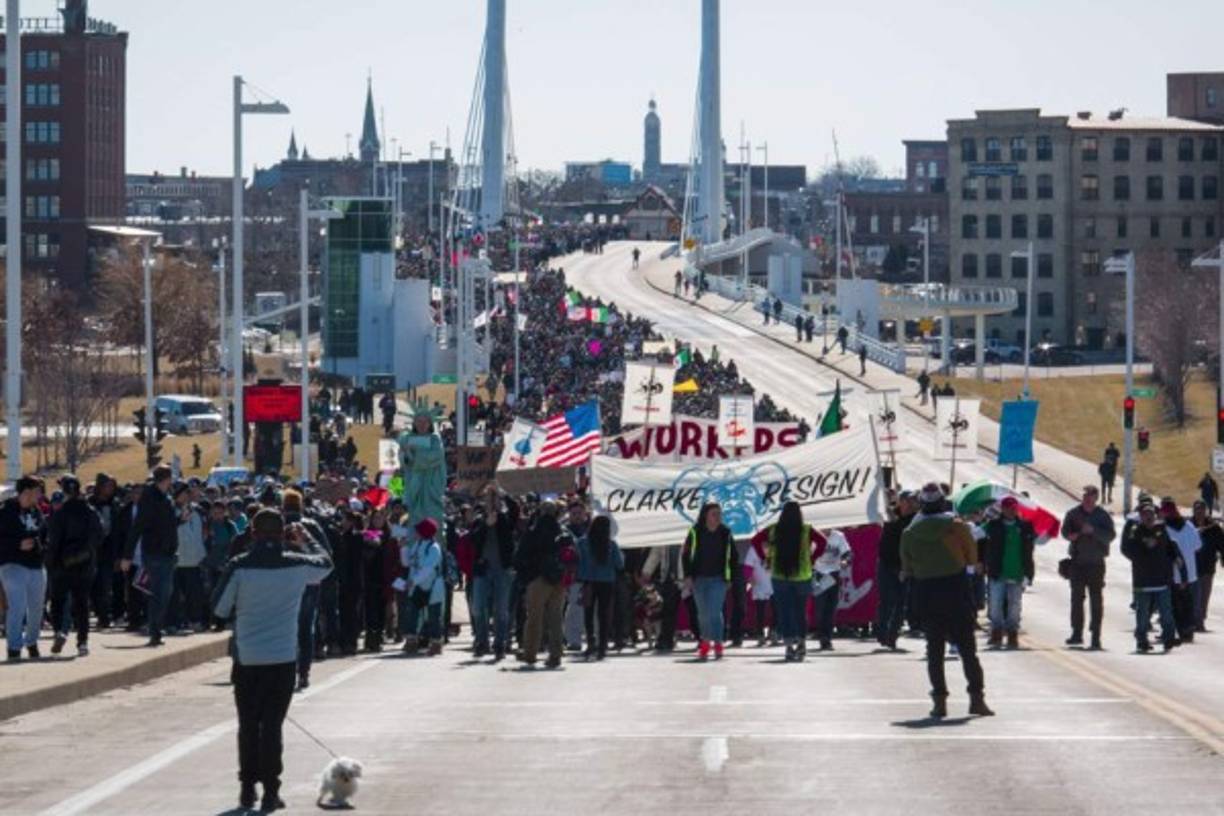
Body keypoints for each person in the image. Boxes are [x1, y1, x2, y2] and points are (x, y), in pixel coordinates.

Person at [212, 507, 333, 812]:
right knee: (273, 726)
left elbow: (218, 608)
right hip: (282, 657)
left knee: (249, 725)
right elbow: (326, 562)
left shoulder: (239, 566)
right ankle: (270, 791)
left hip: (248, 657)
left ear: (253, 534)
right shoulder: (296, 565)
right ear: (283, 535)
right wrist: (305, 537)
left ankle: (246, 788)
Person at [900, 483, 993, 718]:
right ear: (942, 502)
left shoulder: (910, 533)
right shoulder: (957, 527)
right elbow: (972, 556)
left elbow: (907, 566)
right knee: (967, 650)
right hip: (956, 590)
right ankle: (976, 699)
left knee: (935, 651)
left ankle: (939, 702)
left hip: (927, 593)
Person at [46, 474, 103, 656]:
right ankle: (82, 642)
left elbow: (54, 541)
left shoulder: (61, 513)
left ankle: (59, 632)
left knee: (58, 601)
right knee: (82, 603)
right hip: (85, 564)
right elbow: (100, 535)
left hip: (63, 564)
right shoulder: (91, 511)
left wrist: (51, 563)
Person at [751, 501, 815, 661]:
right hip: (802, 575)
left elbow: (755, 540)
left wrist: (765, 557)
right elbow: (822, 542)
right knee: (800, 611)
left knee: (785, 612)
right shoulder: (806, 529)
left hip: (780, 575)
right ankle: (801, 644)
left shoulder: (773, 529)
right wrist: (812, 558)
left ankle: (788, 647)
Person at [123, 466, 180, 648]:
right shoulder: (150, 499)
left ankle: (156, 628)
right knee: (158, 593)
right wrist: (127, 555)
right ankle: (155, 631)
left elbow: (167, 525)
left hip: (168, 553)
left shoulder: (166, 498)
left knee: (165, 593)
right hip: (154, 553)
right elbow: (137, 527)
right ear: (166, 479)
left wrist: (181, 520)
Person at [1121, 499, 1182, 652]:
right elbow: (1126, 548)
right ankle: (1141, 640)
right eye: (1145, 514)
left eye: (1151, 514)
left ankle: (1169, 638)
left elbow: (1170, 546)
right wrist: (1143, 551)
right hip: (1143, 580)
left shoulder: (1161, 529)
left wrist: (1176, 558)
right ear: (1141, 516)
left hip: (1161, 579)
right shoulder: (1135, 531)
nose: (1149, 517)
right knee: (1143, 615)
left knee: (1166, 612)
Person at [1061, 485, 1115, 649]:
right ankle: (1077, 633)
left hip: (1096, 564)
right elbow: (1065, 532)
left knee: (1096, 600)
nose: (1086, 499)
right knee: (1077, 599)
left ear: (1095, 498)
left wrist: (1093, 531)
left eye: (1090, 496)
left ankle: (1096, 636)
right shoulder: (1073, 514)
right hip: (1078, 562)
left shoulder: (1102, 516)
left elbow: (1111, 535)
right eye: (1084, 496)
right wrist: (1073, 535)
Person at [681, 502, 737, 661]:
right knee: (703, 614)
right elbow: (685, 555)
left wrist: (730, 577)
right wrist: (688, 576)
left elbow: (733, 556)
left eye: (719, 514)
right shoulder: (695, 531)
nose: (718, 517)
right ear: (705, 515)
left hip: (718, 579)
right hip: (699, 579)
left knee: (714, 612)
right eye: (714, 514)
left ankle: (718, 643)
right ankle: (705, 642)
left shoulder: (725, 532)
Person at [515, 501, 566, 669]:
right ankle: (555, 655)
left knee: (534, 618)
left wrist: (526, 576)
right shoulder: (563, 531)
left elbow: (520, 556)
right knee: (555, 618)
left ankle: (530, 653)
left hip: (537, 579)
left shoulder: (534, 531)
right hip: (559, 579)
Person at [1, 476, 46, 661]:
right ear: (26, 492)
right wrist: (16, 545)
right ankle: (14, 647)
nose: (40, 495)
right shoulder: (5, 511)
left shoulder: (37, 512)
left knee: (36, 608)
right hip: (11, 564)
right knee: (17, 607)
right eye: (37, 491)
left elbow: (44, 536)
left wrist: (39, 544)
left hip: (36, 565)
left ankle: (32, 642)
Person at [470, 488, 518, 660]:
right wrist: (486, 525)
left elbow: (516, 511)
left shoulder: (505, 518)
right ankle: (482, 641)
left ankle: (500, 644)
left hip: (502, 570)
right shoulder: (479, 520)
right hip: (483, 569)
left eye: (495, 498)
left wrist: (504, 494)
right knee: (478, 607)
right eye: (489, 499)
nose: (492, 502)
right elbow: (473, 541)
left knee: (501, 610)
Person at [982, 497, 1035, 650]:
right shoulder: (993, 525)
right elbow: (976, 534)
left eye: (1013, 508)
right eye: (1008, 508)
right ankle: (996, 632)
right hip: (997, 572)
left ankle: (1012, 633)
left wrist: (1028, 574)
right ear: (1002, 509)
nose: (1011, 511)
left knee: (1014, 606)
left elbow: (1032, 547)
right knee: (995, 605)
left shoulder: (1025, 526)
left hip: (1017, 572)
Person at [577, 515, 623, 661]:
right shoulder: (611, 544)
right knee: (604, 615)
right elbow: (620, 564)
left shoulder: (582, 542)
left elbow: (578, 561)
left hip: (588, 582)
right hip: (607, 582)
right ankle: (602, 647)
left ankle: (591, 643)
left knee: (588, 614)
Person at [877, 490, 917, 650]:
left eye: (913, 500)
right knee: (886, 600)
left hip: (903, 566)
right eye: (908, 500)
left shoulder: (915, 519)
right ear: (901, 501)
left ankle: (893, 635)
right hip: (886, 563)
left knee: (901, 602)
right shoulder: (890, 514)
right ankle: (881, 632)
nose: (912, 503)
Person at [401, 517, 446, 656]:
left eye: (418, 530)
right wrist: (403, 548)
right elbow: (407, 563)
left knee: (434, 616)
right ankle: (411, 641)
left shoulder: (434, 548)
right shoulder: (417, 544)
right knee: (412, 614)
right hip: (416, 586)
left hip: (433, 586)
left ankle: (436, 643)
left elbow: (428, 569)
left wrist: (413, 581)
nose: (416, 532)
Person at [1160, 498, 1201, 643]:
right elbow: (1198, 546)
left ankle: (1174, 631)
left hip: (1173, 574)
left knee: (1172, 605)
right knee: (1188, 604)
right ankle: (1188, 632)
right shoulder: (1189, 526)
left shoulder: (1165, 529)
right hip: (1190, 574)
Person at [812, 529, 851, 651]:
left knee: (831, 608)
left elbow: (848, 553)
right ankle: (822, 636)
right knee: (820, 607)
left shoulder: (839, 536)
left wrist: (845, 560)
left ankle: (827, 638)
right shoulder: (814, 535)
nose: (827, 530)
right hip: (819, 574)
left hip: (834, 575)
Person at [1192, 500, 1224, 631]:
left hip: (1208, 567)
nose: (1199, 512)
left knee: (1204, 596)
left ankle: (1200, 618)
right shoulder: (1188, 526)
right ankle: (1196, 621)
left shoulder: (1214, 528)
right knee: (1196, 596)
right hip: (1192, 568)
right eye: (1196, 509)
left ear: (1205, 511)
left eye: (1201, 509)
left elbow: (1222, 545)